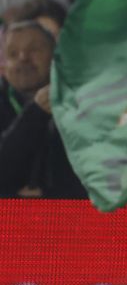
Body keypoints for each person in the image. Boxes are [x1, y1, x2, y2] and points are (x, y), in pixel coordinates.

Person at [0, 19, 82, 198]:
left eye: (34, 50)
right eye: (13, 53)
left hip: (73, 219)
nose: (23, 57)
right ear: (4, 66)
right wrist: (36, 112)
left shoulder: (82, 102)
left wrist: (47, 197)